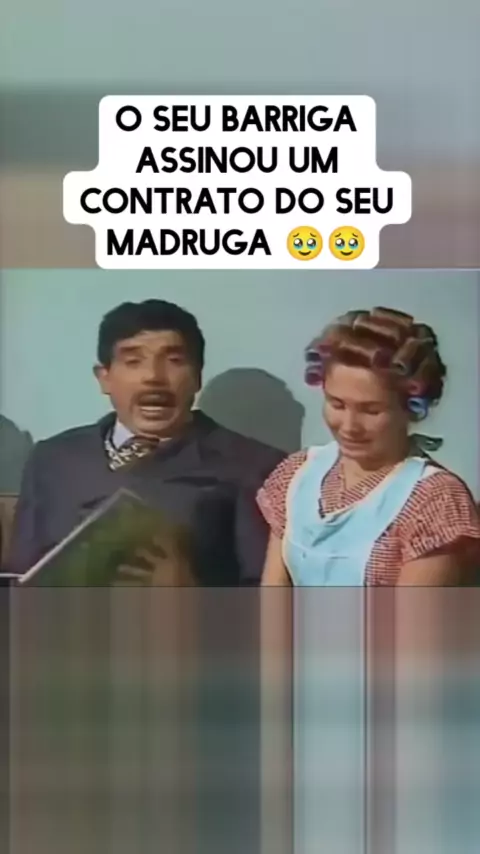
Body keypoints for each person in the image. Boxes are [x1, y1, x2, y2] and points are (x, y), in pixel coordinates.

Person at [5, 300, 285, 585]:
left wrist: (191, 594)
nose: (153, 377)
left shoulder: (254, 466)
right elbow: (19, 576)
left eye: (174, 361)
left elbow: (270, 598)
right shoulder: (52, 459)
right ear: (104, 378)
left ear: (197, 376)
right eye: (133, 361)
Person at [258, 306, 480, 586]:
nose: (349, 426)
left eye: (371, 410)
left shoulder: (434, 499)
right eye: (337, 404)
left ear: (412, 407)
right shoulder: (296, 474)